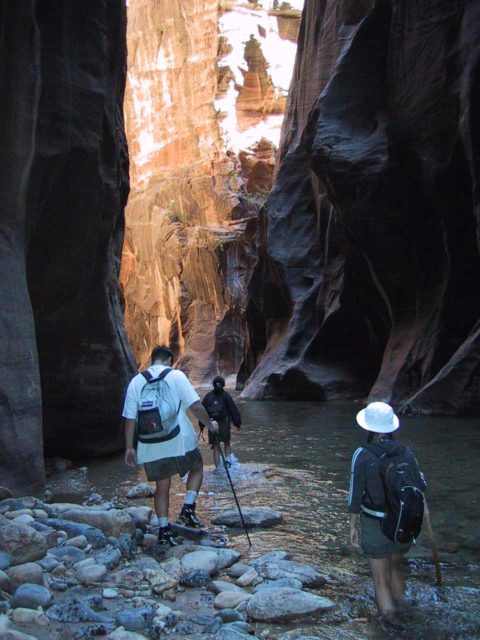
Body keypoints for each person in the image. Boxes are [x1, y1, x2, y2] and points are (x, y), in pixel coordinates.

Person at [122, 346, 218, 547]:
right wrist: (211, 426)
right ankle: (187, 510)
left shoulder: (136, 382)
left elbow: (130, 418)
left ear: (152, 360)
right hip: (179, 441)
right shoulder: (176, 376)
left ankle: (164, 530)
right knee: (197, 467)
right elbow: (195, 406)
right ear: (168, 360)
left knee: (162, 486)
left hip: (150, 445)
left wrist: (129, 447)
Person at [348, 401, 426, 627]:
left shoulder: (362, 454)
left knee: (380, 578)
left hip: (375, 524)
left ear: (369, 428)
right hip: (404, 523)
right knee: (394, 567)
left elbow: (355, 494)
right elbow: (419, 485)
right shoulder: (406, 450)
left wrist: (352, 526)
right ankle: (403, 610)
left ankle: (392, 623)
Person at [200, 376, 242, 469]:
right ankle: (230, 464)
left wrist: (201, 426)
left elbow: (202, 411)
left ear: (213, 385)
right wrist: (237, 424)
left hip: (212, 424)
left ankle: (218, 468)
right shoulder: (226, 396)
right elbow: (233, 410)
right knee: (227, 443)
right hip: (224, 423)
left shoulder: (208, 396)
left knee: (216, 446)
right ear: (223, 385)